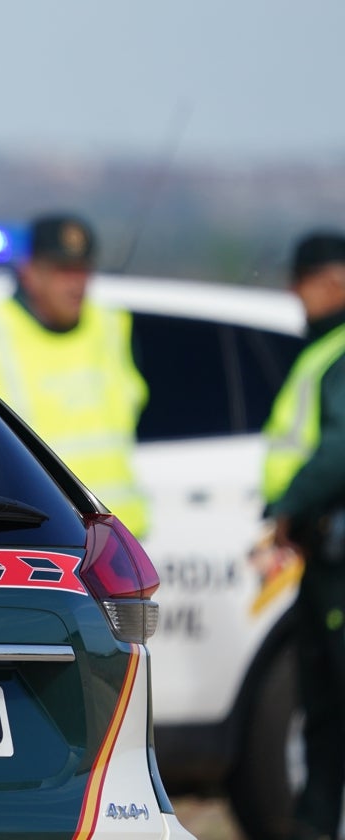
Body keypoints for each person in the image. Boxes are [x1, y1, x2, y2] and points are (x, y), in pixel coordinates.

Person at [0, 212, 149, 536]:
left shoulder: (113, 328)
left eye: (82, 270)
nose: (76, 284)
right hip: (35, 539)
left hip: (118, 543)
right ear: (30, 273)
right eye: (62, 271)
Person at [262, 231, 345, 840]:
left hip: (336, 557)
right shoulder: (324, 350)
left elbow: (339, 447)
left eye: (304, 284)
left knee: (334, 704)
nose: (297, 298)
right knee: (322, 706)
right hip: (322, 552)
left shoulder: (339, 351)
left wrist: (287, 508)